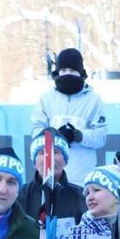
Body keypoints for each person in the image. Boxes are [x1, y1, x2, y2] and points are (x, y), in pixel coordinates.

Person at [31, 48, 107, 186]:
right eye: (63, 70)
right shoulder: (46, 99)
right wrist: (54, 137)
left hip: (82, 177)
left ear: (81, 73)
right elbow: (36, 130)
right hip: (51, 176)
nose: (67, 75)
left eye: (72, 71)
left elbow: (101, 137)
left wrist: (78, 136)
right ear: (57, 72)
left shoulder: (94, 100)